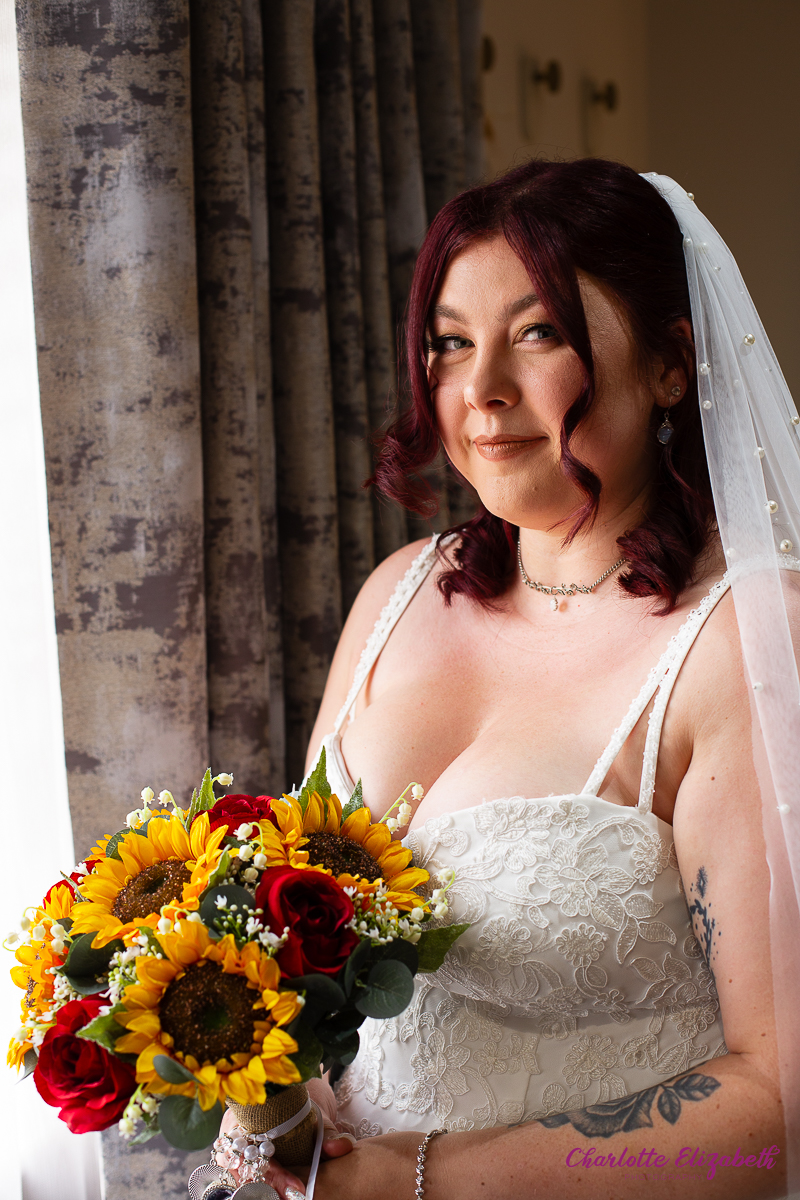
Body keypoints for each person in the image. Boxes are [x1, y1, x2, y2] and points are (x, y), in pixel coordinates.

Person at [228, 159, 800, 1200]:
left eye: (537, 333)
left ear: (671, 365)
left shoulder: (744, 639)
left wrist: (422, 1183)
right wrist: (268, 1099)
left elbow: (777, 1109)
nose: (481, 388)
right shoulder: (399, 592)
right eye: (450, 342)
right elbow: (298, 954)